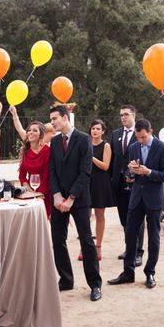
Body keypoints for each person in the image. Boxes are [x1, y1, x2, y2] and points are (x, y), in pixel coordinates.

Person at [108, 118, 164, 289]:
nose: (141, 141)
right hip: (136, 197)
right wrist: (132, 172)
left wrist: (148, 172)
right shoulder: (134, 147)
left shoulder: (163, 148)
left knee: (153, 238)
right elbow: (132, 170)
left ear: (150, 132)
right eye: (138, 137)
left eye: (143, 137)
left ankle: (150, 273)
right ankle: (128, 272)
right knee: (130, 235)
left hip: (154, 198)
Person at [48, 104, 102, 301]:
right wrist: (56, 196)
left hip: (78, 200)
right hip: (58, 200)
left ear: (64, 117)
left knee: (86, 241)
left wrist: (70, 198)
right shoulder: (54, 142)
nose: (52, 122)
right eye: (51, 119)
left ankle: (95, 284)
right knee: (57, 240)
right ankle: (66, 279)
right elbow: (52, 170)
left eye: (54, 119)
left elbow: (85, 172)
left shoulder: (83, 139)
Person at [109, 105, 144, 266]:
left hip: (137, 182)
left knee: (137, 218)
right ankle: (129, 248)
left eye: (126, 114)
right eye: (121, 115)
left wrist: (137, 173)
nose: (123, 117)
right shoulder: (115, 134)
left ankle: (138, 252)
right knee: (124, 219)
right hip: (119, 183)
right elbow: (112, 160)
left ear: (133, 115)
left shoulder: (141, 134)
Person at [88, 119, 114, 261]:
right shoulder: (86, 143)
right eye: (93, 128)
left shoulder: (106, 146)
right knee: (84, 216)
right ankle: (85, 245)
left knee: (99, 215)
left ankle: (98, 246)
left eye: (98, 128)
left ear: (103, 131)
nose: (95, 131)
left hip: (100, 183)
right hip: (86, 182)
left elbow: (105, 166)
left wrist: (91, 157)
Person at [18, 120, 51, 217]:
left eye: (35, 130)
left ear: (41, 135)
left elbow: (47, 175)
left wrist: (38, 193)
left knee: (44, 221)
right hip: (29, 191)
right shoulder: (25, 151)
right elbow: (22, 175)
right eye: (29, 130)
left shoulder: (47, 151)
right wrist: (29, 190)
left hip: (45, 191)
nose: (30, 132)